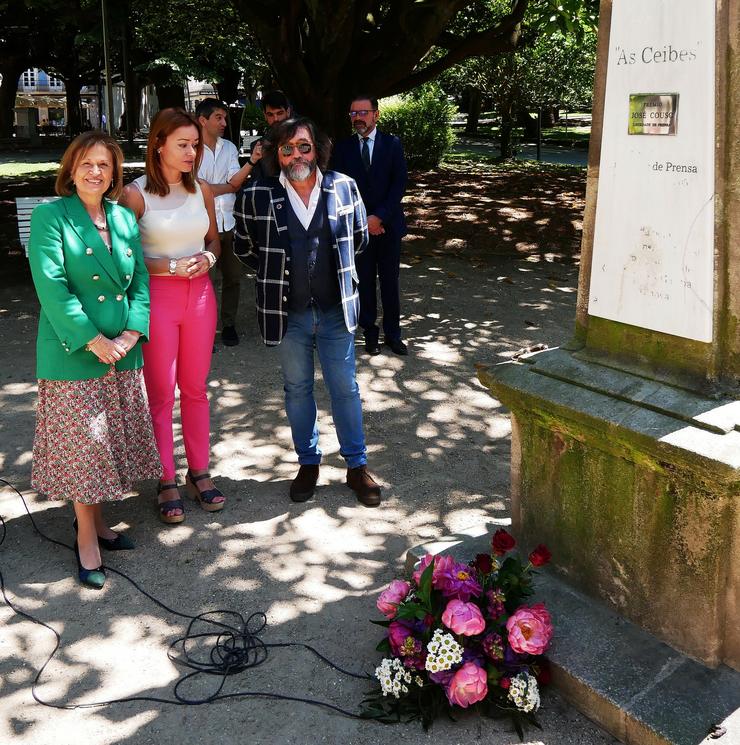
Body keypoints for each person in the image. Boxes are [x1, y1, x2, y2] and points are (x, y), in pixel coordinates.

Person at [27, 131, 160, 589]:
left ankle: (101, 524)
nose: (95, 171)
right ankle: (86, 537)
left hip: (122, 353)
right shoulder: (50, 216)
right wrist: (92, 340)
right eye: (86, 162)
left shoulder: (123, 217)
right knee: (86, 447)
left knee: (106, 444)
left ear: (113, 173)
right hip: (75, 353)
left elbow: (140, 281)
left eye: (103, 165)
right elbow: (51, 284)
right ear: (71, 167)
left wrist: (131, 331)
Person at [233, 117, 382, 507]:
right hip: (289, 315)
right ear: (276, 155)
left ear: (317, 149)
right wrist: (276, 278)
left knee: (345, 389)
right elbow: (245, 246)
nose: (296, 154)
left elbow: (359, 240)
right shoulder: (257, 195)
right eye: (287, 148)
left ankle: (356, 466)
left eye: (303, 146)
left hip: (336, 312)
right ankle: (308, 463)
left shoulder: (344, 188)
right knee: (297, 390)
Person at [119, 108, 225, 523]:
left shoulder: (203, 190)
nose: (191, 152)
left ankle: (199, 470)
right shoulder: (136, 194)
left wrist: (207, 258)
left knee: (196, 388)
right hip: (156, 299)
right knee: (161, 393)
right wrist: (168, 268)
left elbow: (215, 241)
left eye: (195, 144)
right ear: (158, 144)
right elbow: (123, 260)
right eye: (182, 144)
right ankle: (165, 479)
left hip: (200, 296)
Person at [332, 95, 408, 356]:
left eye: (363, 112)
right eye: (353, 114)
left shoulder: (392, 144)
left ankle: (393, 335)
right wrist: (363, 220)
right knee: (363, 282)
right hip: (357, 228)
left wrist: (379, 217)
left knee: (389, 282)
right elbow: (339, 189)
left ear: (376, 114)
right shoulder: (342, 149)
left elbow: (398, 185)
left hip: (388, 227)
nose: (357, 118)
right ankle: (370, 333)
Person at [196, 98, 262, 346]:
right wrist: (225, 186)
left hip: (230, 222)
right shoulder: (192, 149)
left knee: (233, 277)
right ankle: (206, 330)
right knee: (206, 281)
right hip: (202, 225)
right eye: (218, 118)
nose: (224, 122)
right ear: (203, 120)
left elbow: (236, 182)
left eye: (225, 117)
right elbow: (196, 189)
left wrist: (252, 161)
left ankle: (229, 324)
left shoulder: (230, 148)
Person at [246, 90, 292, 181]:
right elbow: (258, 184)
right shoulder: (258, 146)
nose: (276, 119)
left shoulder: (303, 141)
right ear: (265, 115)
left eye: (279, 113)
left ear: (288, 112)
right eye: (270, 114)